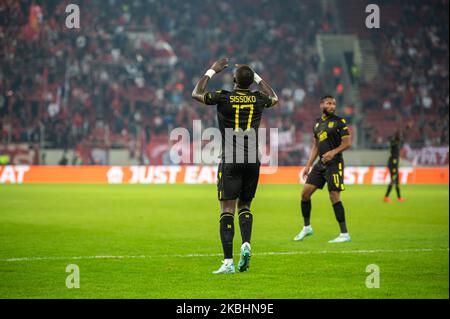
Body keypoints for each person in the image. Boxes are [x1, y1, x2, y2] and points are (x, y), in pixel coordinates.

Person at [192, 58, 278, 274]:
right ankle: (246, 244)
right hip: (252, 160)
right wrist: (255, 75)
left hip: (231, 158)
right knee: (245, 206)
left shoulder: (224, 97)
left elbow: (196, 93)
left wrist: (212, 69)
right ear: (250, 83)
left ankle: (228, 262)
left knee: (226, 209)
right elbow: (274, 98)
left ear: (234, 80)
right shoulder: (259, 98)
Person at [294, 95, 352, 243]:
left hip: (334, 164)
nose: (332, 106)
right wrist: (308, 165)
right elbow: (315, 146)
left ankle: (344, 234)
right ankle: (307, 228)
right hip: (320, 164)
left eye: (334, 104)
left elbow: (347, 143)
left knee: (334, 196)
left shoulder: (339, 122)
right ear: (321, 105)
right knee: (305, 194)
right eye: (329, 103)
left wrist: (333, 152)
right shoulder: (317, 124)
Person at [384, 130, 405, 203]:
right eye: (399, 136)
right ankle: (386, 197)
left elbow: (402, 135)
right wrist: (394, 168)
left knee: (396, 181)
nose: (401, 137)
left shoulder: (397, 143)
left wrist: (407, 128)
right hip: (393, 165)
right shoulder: (394, 143)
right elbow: (391, 142)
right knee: (393, 181)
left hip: (395, 165)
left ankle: (399, 198)